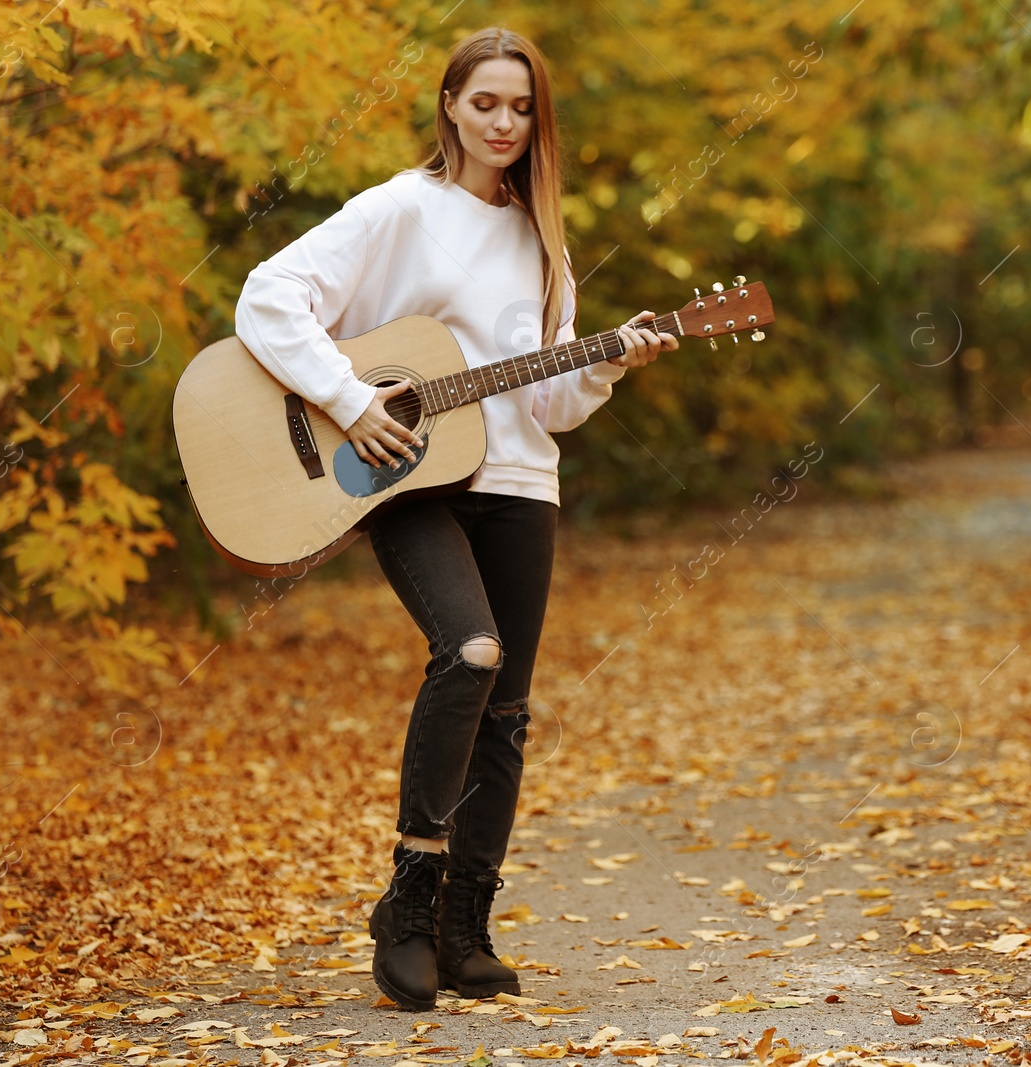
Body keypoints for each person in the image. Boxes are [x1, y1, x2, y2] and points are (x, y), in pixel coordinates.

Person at [232, 26, 678, 1011]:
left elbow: (546, 401)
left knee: (507, 711)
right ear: (448, 106)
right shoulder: (400, 208)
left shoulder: (542, 238)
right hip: (404, 475)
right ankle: (407, 900)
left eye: (521, 108)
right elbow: (269, 297)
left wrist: (604, 361)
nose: (505, 124)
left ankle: (463, 925)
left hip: (521, 484)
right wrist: (352, 402)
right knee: (468, 653)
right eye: (487, 103)